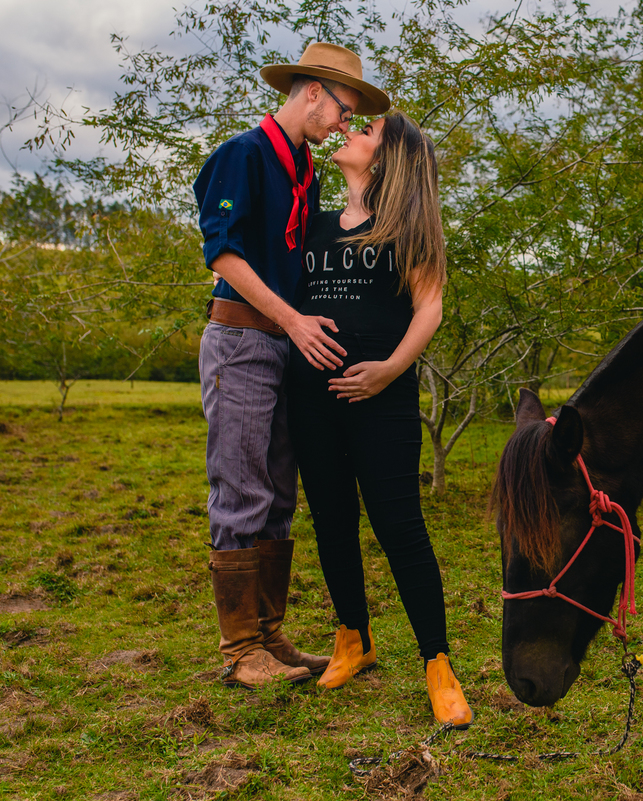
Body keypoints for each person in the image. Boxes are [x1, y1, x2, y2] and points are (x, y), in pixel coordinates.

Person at [193, 43, 391, 689]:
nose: (342, 124)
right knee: (241, 488)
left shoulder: (303, 167)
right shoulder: (243, 154)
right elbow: (222, 255)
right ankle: (238, 647)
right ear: (311, 92)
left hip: (285, 348)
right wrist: (292, 319)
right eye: (342, 109)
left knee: (278, 492)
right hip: (244, 340)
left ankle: (270, 634)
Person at [286, 112, 471, 727]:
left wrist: (390, 369)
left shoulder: (408, 228)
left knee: (401, 530)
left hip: (382, 402)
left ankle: (437, 662)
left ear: (389, 158)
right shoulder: (311, 225)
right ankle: (353, 638)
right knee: (332, 522)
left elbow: (430, 307)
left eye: (370, 132)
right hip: (311, 399)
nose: (352, 131)